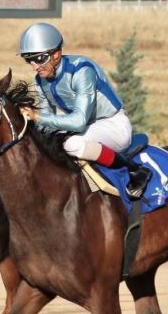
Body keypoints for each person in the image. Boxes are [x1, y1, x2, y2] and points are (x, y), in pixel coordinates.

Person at [19, 23, 152, 200]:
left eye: (40, 59)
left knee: (71, 144)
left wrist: (38, 116)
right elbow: (47, 122)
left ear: (56, 54)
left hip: (113, 125)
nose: (35, 66)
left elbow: (79, 121)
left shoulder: (82, 70)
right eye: (29, 60)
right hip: (86, 128)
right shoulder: (40, 80)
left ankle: (135, 170)